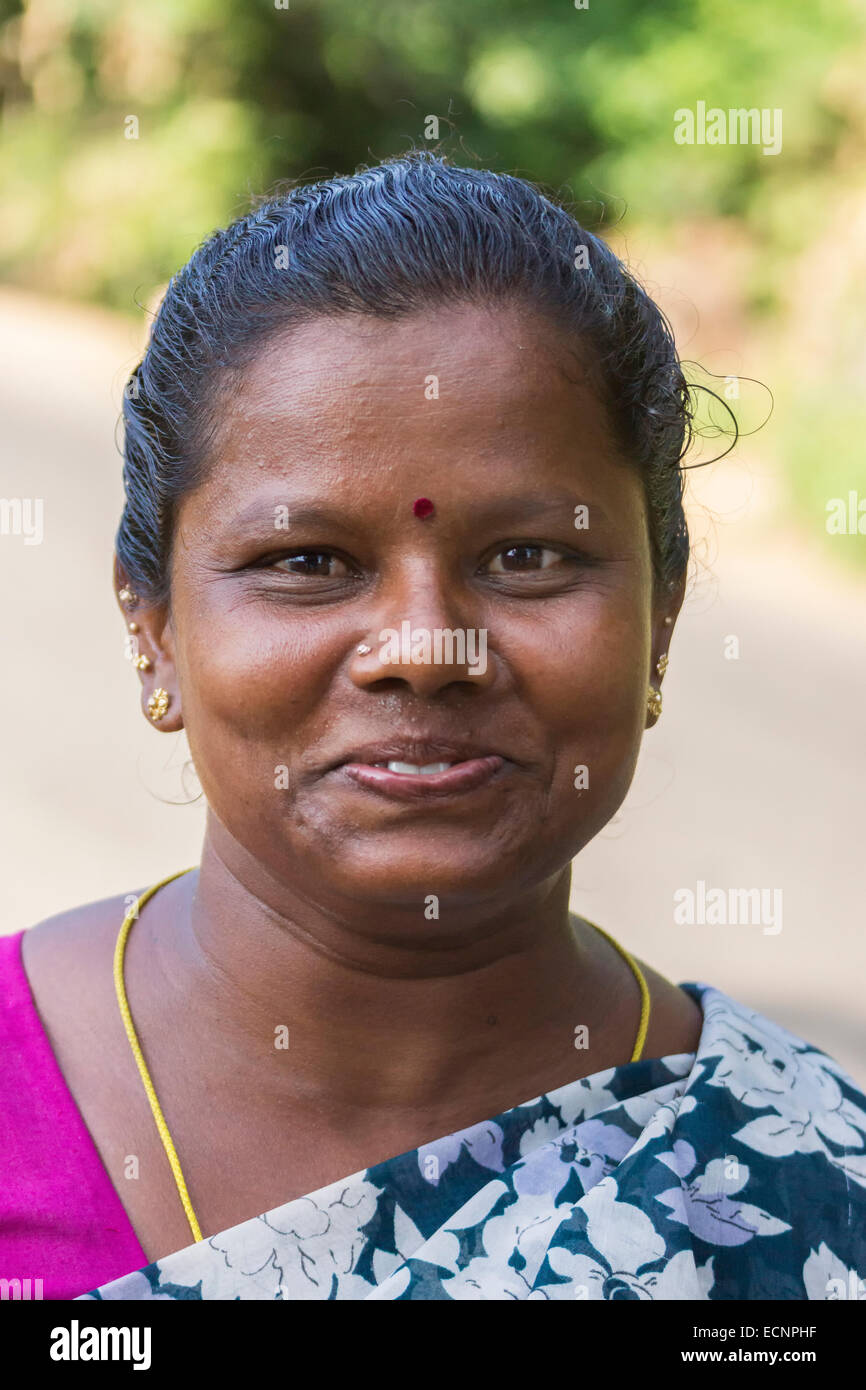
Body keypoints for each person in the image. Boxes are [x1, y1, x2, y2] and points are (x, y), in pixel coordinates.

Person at [2, 154, 864, 1302]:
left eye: (527, 557)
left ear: (660, 609)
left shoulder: (801, 1182)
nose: (425, 648)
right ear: (151, 623)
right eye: (305, 562)